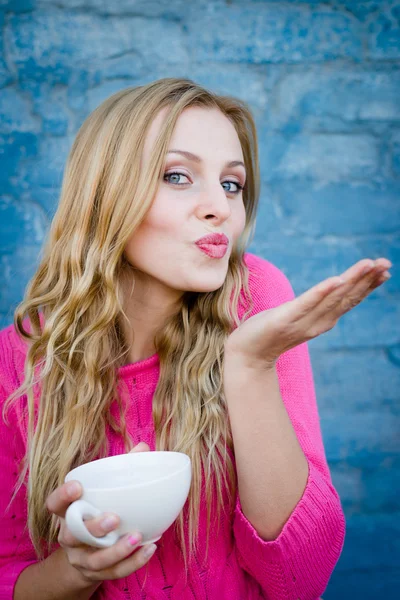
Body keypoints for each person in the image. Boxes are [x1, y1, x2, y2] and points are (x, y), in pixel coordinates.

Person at [0, 77, 392, 600]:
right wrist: (79, 571)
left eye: (232, 185)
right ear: (104, 195)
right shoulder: (19, 359)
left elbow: (302, 578)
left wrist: (249, 365)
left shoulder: (254, 298)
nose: (220, 209)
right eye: (178, 176)